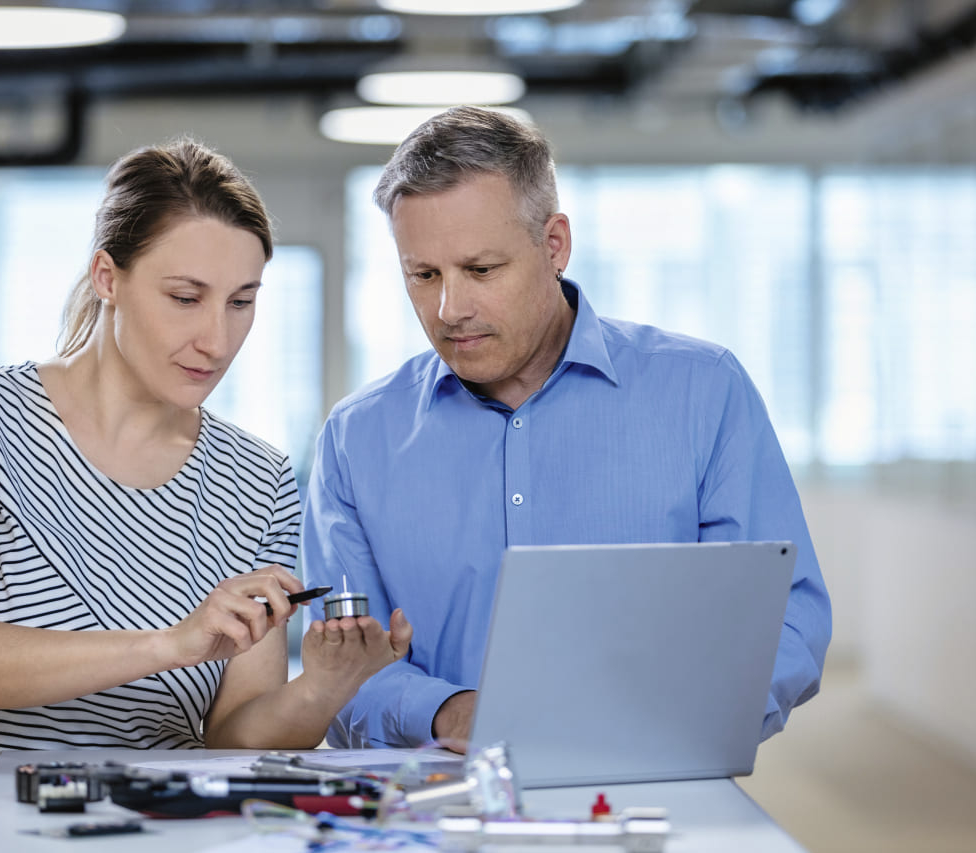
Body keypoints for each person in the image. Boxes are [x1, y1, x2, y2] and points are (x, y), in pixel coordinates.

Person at [0, 138, 412, 852]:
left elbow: (233, 739)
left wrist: (324, 686)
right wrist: (175, 643)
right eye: (185, 298)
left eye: (242, 303)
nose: (216, 338)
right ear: (107, 277)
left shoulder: (260, 480)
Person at [302, 106, 830, 751]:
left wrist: (664, 717)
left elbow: (786, 619)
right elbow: (338, 673)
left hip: (657, 785)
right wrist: (449, 712)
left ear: (553, 245)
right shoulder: (357, 438)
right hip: (430, 805)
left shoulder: (703, 391)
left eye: (482, 269)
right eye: (424, 275)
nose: (450, 309)